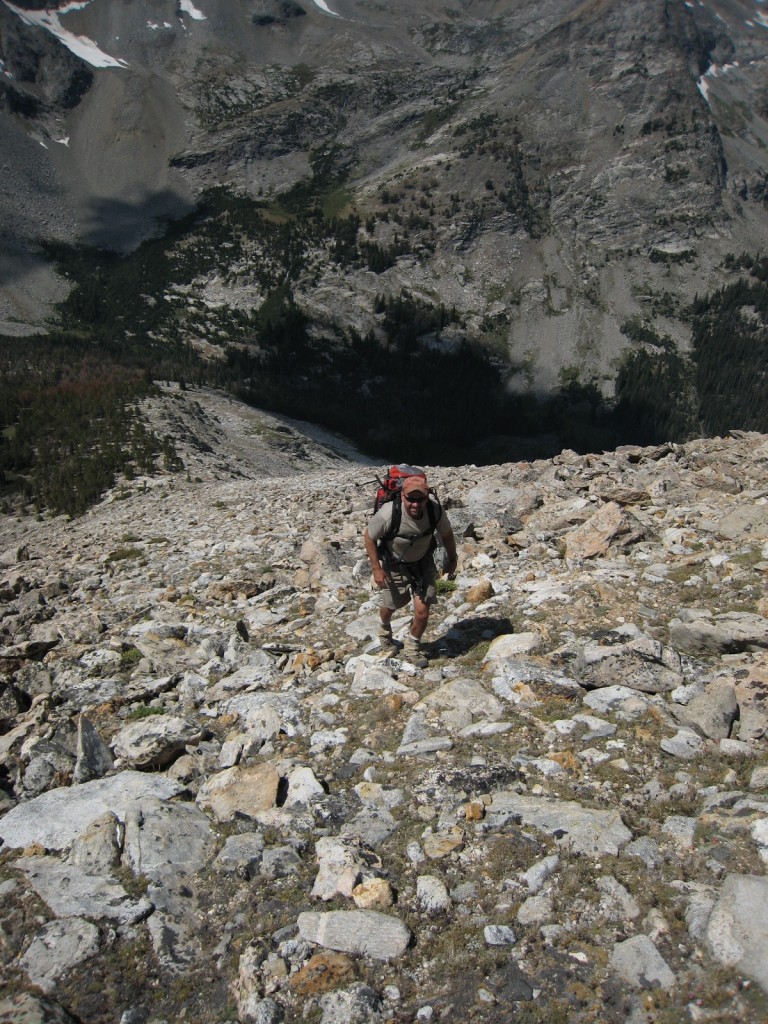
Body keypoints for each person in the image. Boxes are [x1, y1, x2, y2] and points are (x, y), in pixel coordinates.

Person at [363, 473, 458, 667]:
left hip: (424, 563)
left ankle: (412, 647)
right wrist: (376, 569)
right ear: (402, 496)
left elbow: (447, 534)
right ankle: (384, 631)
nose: (416, 504)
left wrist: (452, 558)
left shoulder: (434, 510)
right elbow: (369, 537)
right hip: (395, 565)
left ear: (427, 496)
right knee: (393, 605)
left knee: (422, 611)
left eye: (420, 499)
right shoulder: (389, 513)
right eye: (411, 499)